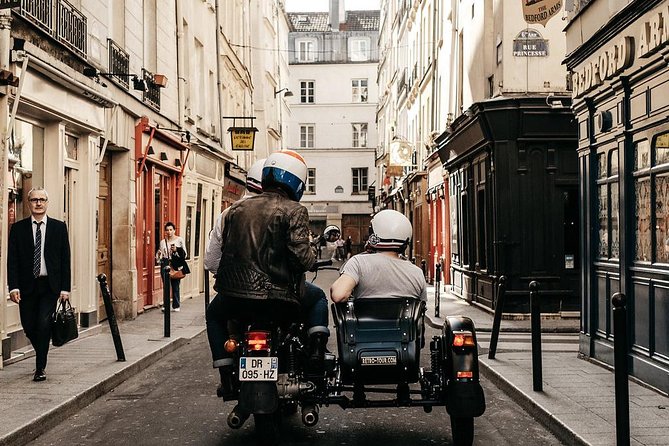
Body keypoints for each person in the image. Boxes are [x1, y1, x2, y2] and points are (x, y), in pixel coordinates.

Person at [210, 150, 329, 400]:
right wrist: (311, 261)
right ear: (297, 182)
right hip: (279, 299)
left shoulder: (234, 210)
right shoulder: (294, 210)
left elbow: (217, 257)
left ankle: (225, 373)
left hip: (235, 298)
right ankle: (317, 351)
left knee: (214, 313)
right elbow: (302, 258)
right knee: (317, 298)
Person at [7, 188, 71, 382]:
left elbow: (64, 259)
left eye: (42, 199)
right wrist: (13, 287)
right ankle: (43, 346)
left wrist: (65, 288)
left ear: (47, 203)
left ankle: (40, 367)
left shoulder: (59, 228)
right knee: (28, 326)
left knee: (43, 324)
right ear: (28, 203)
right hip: (27, 287)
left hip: (50, 286)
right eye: (34, 200)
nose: (38, 203)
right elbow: (13, 260)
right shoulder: (18, 229)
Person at [330, 209, 427, 303]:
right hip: (405, 319)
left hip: (366, 318)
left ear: (373, 235)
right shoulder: (417, 272)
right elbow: (421, 306)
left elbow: (339, 295)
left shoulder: (358, 263)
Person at [156, 222, 189, 312]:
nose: (169, 232)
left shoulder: (179, 240)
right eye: (167, 230)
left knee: (175, 285)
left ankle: (176, 305)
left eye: (171, 230)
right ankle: (166, 305)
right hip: (165, 263)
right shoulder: (163, 242)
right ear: (165, 231)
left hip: (175, 263)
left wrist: (176, 250)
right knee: (166, 286)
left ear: (174, 230)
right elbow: (160, 256)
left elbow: (185, 254)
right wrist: (159, 255)